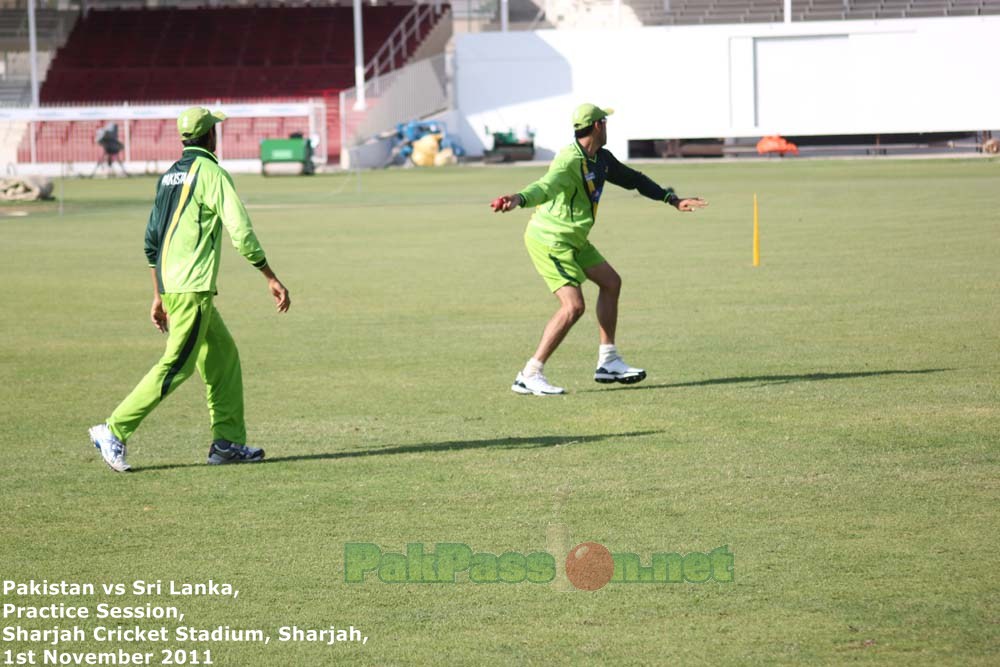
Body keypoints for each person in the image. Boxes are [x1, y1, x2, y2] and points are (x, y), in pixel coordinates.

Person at [88, 107, 291, 471]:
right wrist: (269, 276)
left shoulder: (168, 176)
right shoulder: (212, 174)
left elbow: (152, 240)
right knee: (176, 366)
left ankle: (227, 443)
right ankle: (114, 430)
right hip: (191, 290)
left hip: (174, 287)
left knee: (223, 357)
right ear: (211, 137)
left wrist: (157, 293)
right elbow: (241, 232)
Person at [491, 103, 707, 396]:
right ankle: (529, 373)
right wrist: (518, 198)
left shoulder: (600, 159)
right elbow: (546, 186)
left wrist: (672, 199)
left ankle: (608, 361)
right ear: (597, 126)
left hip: (575, 237)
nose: (607, 126)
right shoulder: (569, 160)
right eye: (605, 121)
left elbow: (634, 180)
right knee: (573, 306)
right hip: (551, 239)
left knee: (611, 282)